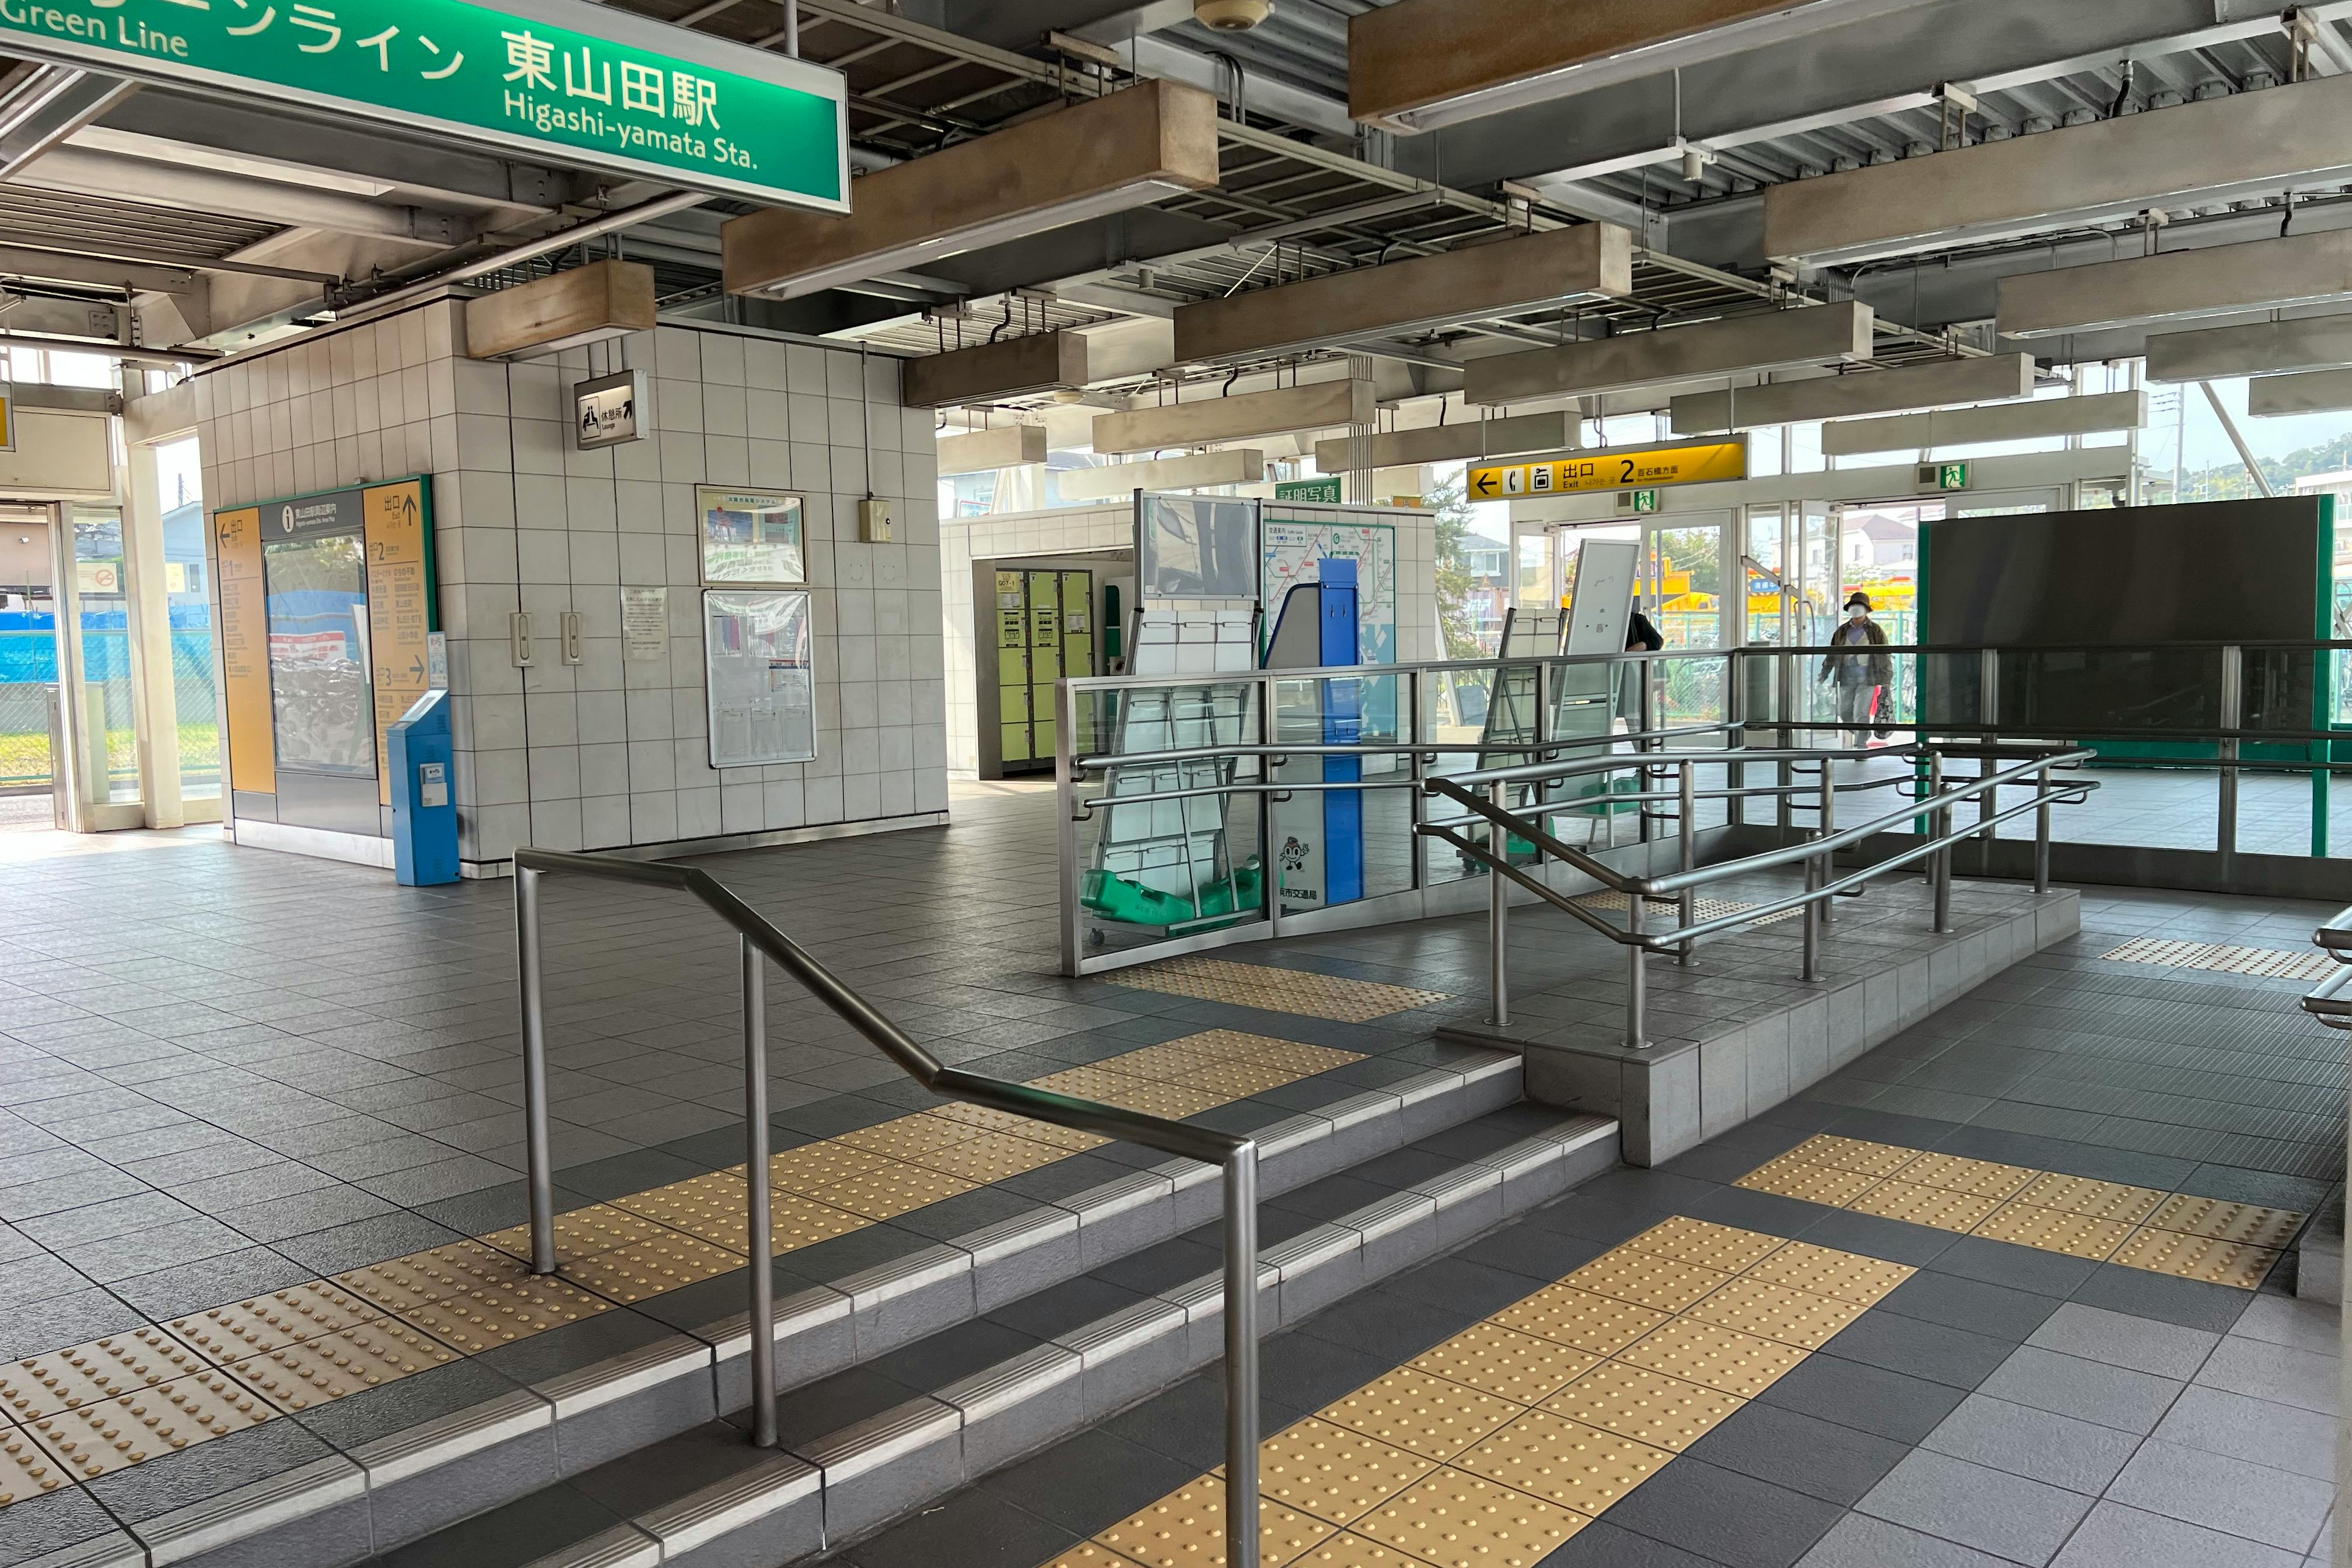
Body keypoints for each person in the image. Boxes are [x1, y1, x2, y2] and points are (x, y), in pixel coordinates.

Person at [1818, 592, 1892, 747]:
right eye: (1853, 606)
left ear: (1866, 610)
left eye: (1860, 606)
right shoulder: (1842, 631)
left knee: (1861, 713)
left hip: (1868, 678)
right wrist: (1824, 674)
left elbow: (1884, 655)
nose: (1856, 609)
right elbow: (1832, 653)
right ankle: (1862, 733)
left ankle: (1860, 745)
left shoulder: (1875, 631)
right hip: (1845, 678)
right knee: (1844, 712)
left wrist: (1886, 680)